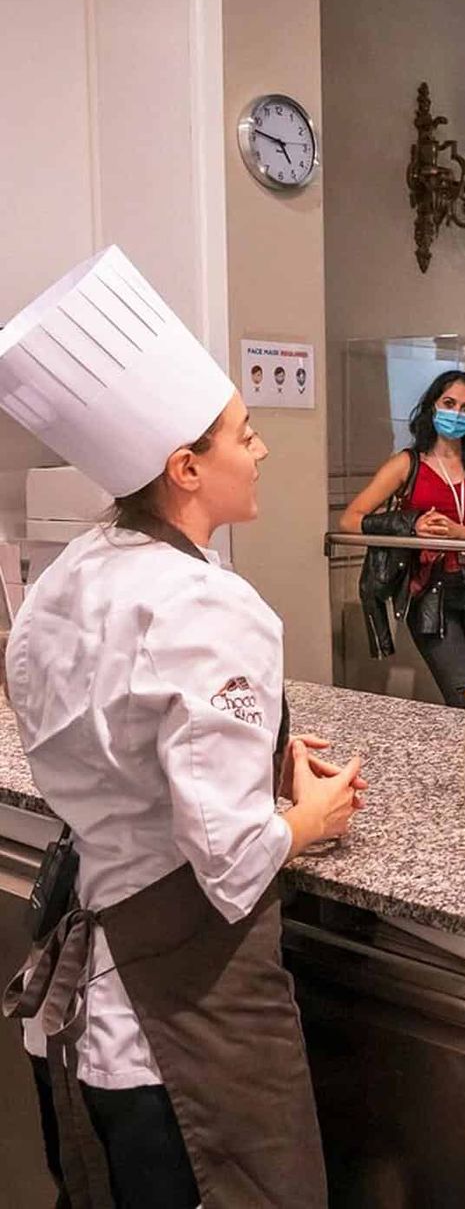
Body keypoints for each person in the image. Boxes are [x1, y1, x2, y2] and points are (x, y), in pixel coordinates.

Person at [0, 247, 363, 1207]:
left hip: (84, 1009)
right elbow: (231, 860)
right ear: (186, 467)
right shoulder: (211, 605)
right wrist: (307, 817)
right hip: (177, 1031)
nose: (263, 448)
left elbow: (106, 734)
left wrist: (257, 756)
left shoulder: (75, 571)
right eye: (246, 433)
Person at [342, 370, 465, 707]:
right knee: (463, 694)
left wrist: (459, 534)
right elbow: (350, 520)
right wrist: (409, 525)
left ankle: (464, 743)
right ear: (433, 406)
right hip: (432, 588)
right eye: (449, 403)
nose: (456, 413)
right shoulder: (407, 463)